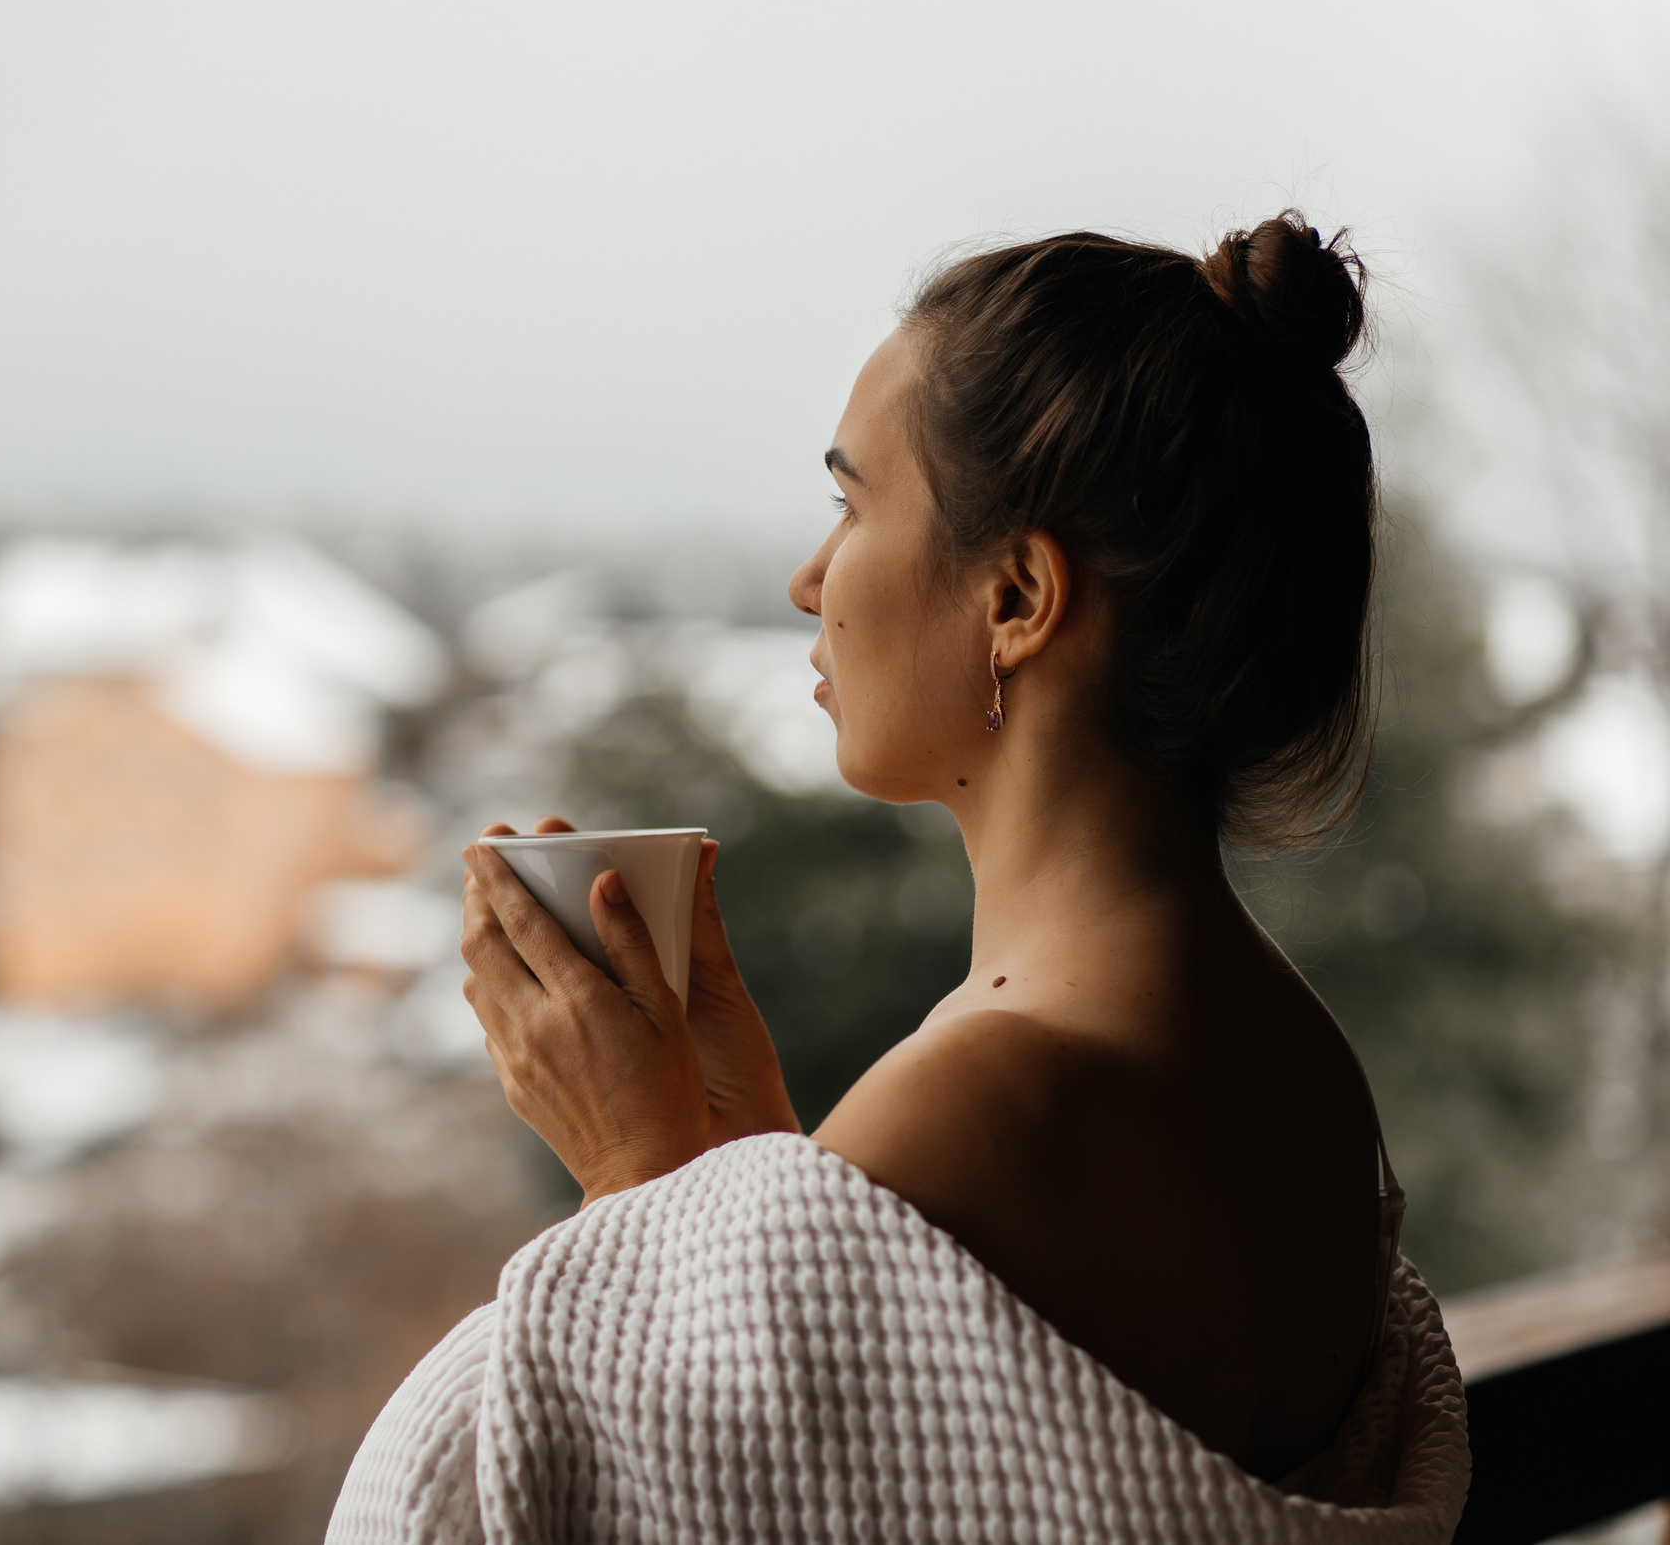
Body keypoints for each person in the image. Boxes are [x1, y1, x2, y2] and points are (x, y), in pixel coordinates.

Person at [329, 215, 1469, 1543]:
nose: (810, 580)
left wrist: (632, 1180)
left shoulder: (997, 1102)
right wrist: (747, 1176)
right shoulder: (1303, 1067)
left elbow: (636, 1505)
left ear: (1018, 599)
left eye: (852, 503)